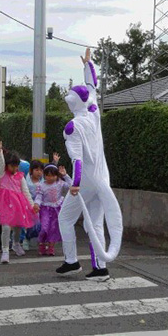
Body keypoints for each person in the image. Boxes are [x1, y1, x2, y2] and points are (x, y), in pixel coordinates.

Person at [57, 48, 124, 280]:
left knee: (65, 218)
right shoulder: (94, 113)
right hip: (102, 179)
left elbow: (77, 160)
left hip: (84, 181)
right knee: (94, 222)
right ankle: (100, 268)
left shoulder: (72, 127)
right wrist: (88, 65)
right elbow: (93, 88)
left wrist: (74, 184)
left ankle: (71, 261)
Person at [0, 149, 39, 264]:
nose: (15, 169)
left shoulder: (20, 176)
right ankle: (5, 250)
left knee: (18, 225)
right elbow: (1, 162)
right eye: (12, 166)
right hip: (5, 204)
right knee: (6, 227)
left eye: (16, 166)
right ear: (7, 166)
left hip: (18, 204)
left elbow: (26, 191)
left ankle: (16, 244)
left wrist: (32, 205)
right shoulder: (2, 173)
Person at [34, 164, 72, 256]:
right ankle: (42, 244)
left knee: (54, 228)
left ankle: (51, 247)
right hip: (45, 209)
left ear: (57, 176)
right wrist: (36, 204)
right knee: (44, 227)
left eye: (53, 176)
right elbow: (39, 196)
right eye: (48, 175)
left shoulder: (60, 183)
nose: (50, 178)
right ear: (44, 175)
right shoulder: (41, 185)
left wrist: (65, 175)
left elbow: (71, 185)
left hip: (57, 208)